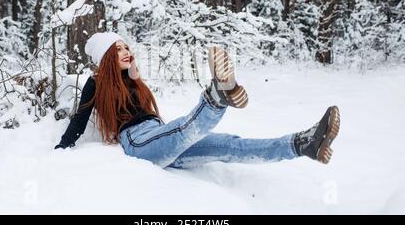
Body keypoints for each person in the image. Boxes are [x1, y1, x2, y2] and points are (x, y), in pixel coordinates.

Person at [55, 32, 340, 168]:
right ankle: (217, 97)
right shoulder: (96, 83)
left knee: (230, 145)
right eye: (118, 49)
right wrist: (59, 151)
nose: (127, 50)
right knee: (183, 128)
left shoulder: (134, 80)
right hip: (138, 142)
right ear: (105, 57)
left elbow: (156, 120)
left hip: (159, 136)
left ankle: (302, 144)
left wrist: (134, 77)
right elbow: (79, 121)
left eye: (127, 46)